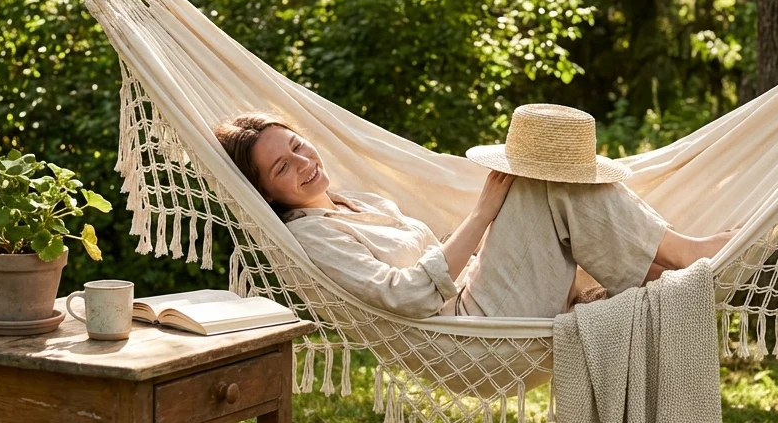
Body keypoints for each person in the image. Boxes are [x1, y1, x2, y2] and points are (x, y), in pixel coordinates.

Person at [213, 103, 734, 319]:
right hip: (469, 328)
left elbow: (440, 257)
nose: (302, 163)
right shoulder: (314, 238)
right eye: (282, 168)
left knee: (553, 172)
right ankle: (686, 255)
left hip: (481, 291)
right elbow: (410, 293)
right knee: (542, 178)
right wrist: (485, 213)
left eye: (298, 145)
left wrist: (490, 238)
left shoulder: (361, 204)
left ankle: (671, 274)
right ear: (270, 195)